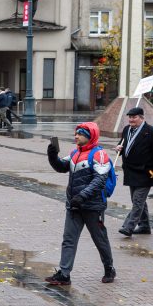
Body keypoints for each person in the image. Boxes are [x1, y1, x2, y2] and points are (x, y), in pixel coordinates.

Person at [45, 122, 115, 285]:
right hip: (74, 205)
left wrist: (82, 196)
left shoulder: (99, 154)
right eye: (76, 133)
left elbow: (100, 179)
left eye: (80, 134)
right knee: (69, 239)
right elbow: (62, 167)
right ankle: (64, 274)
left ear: (90, 136)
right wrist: (52, 156)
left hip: (92, 206)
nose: (76, 136)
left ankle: (109, 268)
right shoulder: (75, 153)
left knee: (100, 239)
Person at [114, 107, 153, 237]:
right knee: (137, 200)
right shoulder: (127, 130)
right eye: (130, 117)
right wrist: (118, 148)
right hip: (131, 171)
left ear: (142, 118)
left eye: (134, 117)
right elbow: (124, 145)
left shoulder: (152, 132)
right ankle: (145, 226)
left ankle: (128, 227)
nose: (131, 120)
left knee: (138, 201)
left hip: (146, 172)